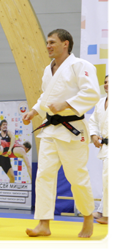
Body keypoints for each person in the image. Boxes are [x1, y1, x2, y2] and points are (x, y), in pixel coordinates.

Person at [22, 29, 100, 238]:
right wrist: (35, 111)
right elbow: (45, 97)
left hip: (72, 130)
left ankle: (87, 218)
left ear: (65, 44)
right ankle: (44, 223)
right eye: (47, 43)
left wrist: (66, 104)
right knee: (44, 175)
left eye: (52, 42)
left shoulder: (80, 66)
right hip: (50, 129)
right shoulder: (49, 70)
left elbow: (92, 93)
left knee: (76, 177)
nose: (48, 46)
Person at [89, 74, 112, 224]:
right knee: (108, 180)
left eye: (110, 82)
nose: (107, 84)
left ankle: (108, 214)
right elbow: (93, 122)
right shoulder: (100, 103)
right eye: (105, 82)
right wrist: (93, 136)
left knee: (108, 178)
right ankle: (103, 209)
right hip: (105, 146)